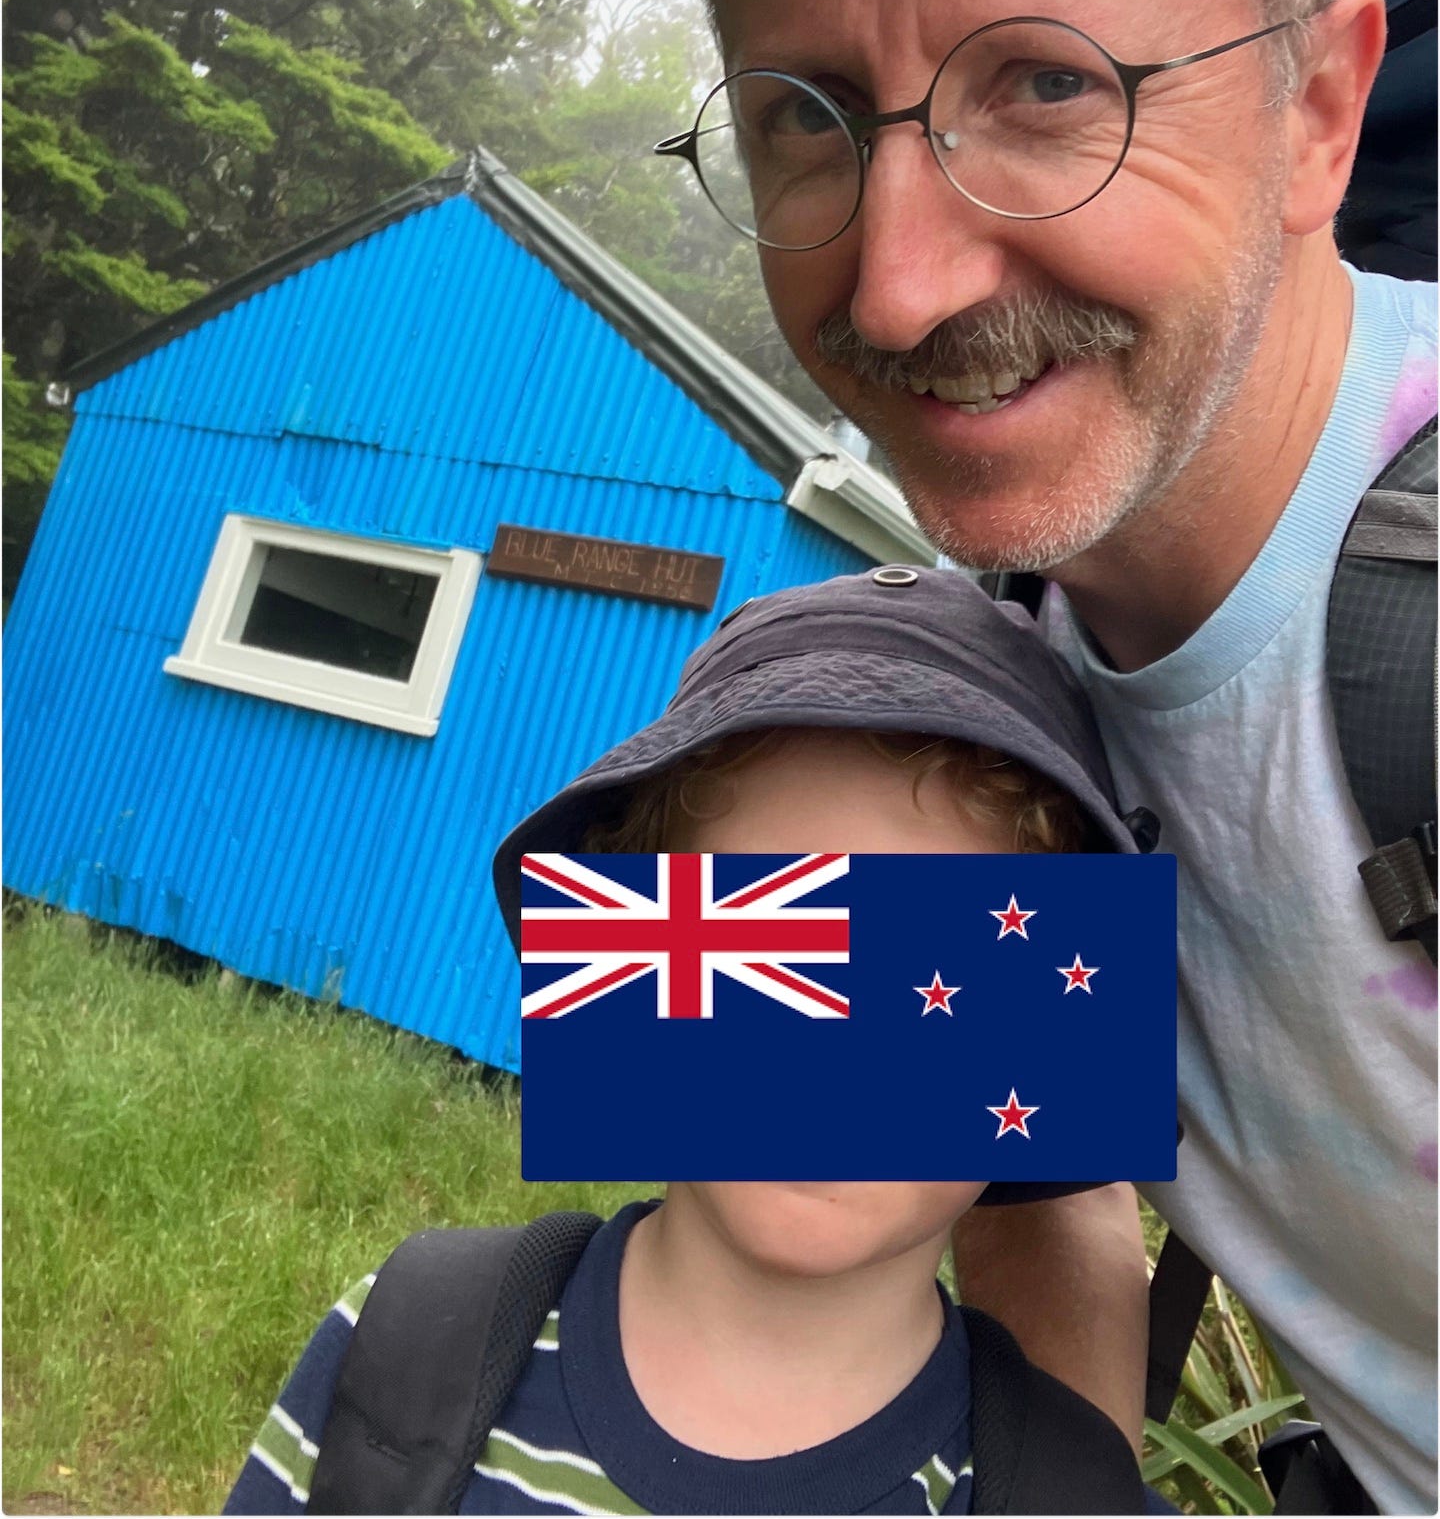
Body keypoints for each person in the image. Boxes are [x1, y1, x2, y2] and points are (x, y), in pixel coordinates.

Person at [469, 0, 1439, 1510]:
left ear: (1319, 110)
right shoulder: (986, 663)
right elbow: (1028, 1186)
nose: (898, 283)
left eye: (1050, 86)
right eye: (802, 120)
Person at [225, 569, 1158, 1514]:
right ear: (632, 960)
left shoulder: (1064, 1495)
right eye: (762, 951)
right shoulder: (408, 1345)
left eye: (940, 983)